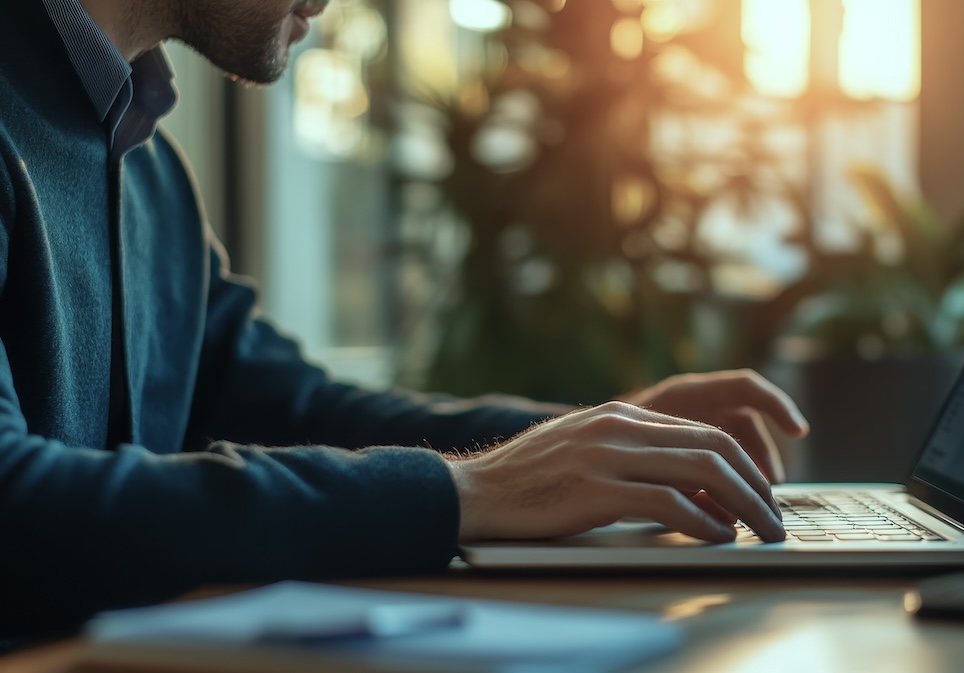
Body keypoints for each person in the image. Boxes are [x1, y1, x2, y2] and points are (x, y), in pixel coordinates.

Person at [0, 0, 806, 636]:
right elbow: (17, 504)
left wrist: (600, 438)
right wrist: (463, 490)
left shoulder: (148, 169)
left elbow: (289, 407)